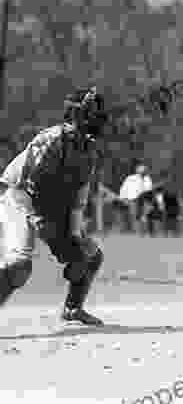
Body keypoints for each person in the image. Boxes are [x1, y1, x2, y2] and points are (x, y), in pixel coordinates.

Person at [0, 86, 108, 325]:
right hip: (19, 198)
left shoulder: (88, 150)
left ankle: (73, 309)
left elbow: (79, 200)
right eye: (92, 111)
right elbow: (25, 185)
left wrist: (75, 238)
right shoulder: (52, 140)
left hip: (50, 206)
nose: (98, 117)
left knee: (90, 256)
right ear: (76, 114)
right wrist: (37, 220)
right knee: (19, 266)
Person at [119, 163, 153, 233]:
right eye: (141, 169)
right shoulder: (130, 178)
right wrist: (123, 198)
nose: (143, 171)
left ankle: (144, 232)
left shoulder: (147, 179)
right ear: (137, 170)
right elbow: (124, 188)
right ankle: (137, 232)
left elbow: (149, 189)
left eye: (144, 169)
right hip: (132, 200)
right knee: (134, 217)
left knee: (144, 217)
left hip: (144, 199)